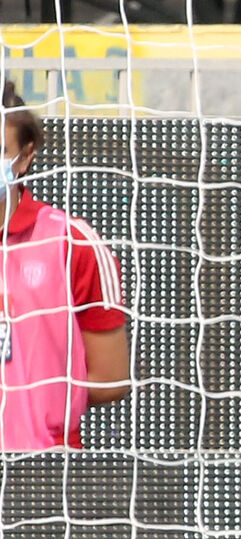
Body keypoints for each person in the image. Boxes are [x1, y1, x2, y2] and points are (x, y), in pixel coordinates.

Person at [0, 81, 130, 449]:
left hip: (41, 471)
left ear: (24, 157)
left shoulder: (72, 242)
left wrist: (31, 398)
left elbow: (109, 377)